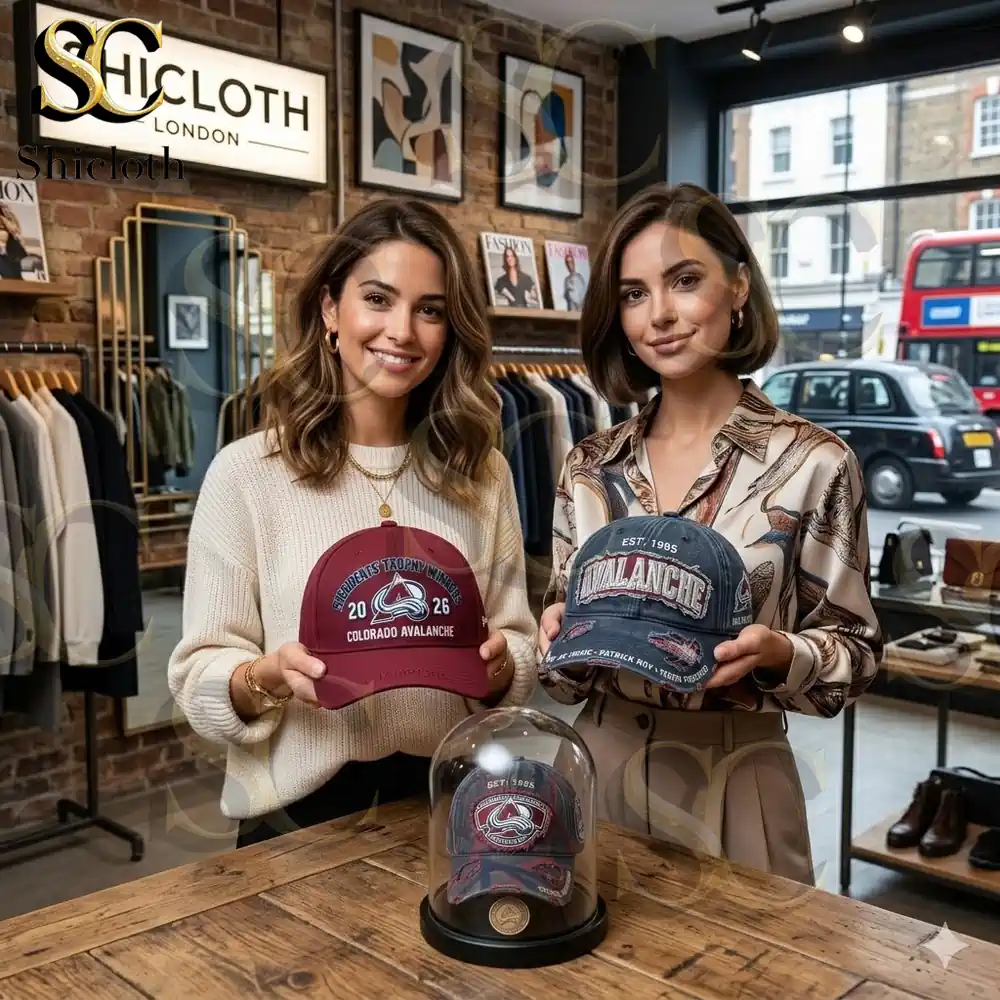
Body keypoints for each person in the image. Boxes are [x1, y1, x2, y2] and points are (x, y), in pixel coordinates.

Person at [536, 182, 882, 885]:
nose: (658, 315)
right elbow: (566, 672)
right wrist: (557, 634)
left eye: (684, 281)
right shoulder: (590, 466)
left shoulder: (813, 463)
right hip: (598, 764)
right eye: (633, 294)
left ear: (738, 287)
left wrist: (780, 651)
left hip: (738, 773)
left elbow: (857, 654)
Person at [168, 198, 538, 847]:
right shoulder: (248, 475)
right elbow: (198, 677)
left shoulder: (483, 475)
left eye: (430, 310)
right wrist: (264, 678)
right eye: (378, 299)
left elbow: (519, 648)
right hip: (295, 823)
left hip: (450, 807)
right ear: (331, 310)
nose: (403, 330)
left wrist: (503, 668)